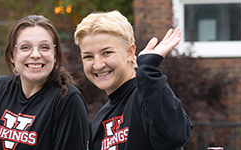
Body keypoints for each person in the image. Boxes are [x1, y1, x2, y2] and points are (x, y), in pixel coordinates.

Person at [0, 15, 88, 150]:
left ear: (55, 55)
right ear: (12, 55)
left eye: (45, 47)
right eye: (25, 47)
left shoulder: (67, 99)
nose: (35, 54)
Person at [74, 11, 192, 150]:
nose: (98, 65)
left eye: (107, 53)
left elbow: (176, 135)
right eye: (88, 56)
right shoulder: (99, 120)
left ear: (130, 53)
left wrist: (148, 71)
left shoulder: (147, 95)